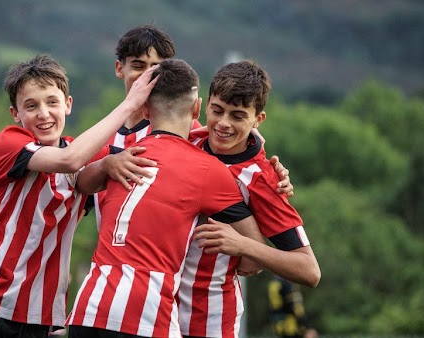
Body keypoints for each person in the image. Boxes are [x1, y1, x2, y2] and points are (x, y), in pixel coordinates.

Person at [0, 55, 158, 338]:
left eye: (52, 102)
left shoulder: (86, 152)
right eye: (31, 106)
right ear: (16, 114)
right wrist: (129, 104)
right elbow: (69, 160)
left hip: (36, 317)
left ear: (68, 105)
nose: (44, 114)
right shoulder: (10, 143)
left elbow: (158, 151)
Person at [66, 59, 266, 338]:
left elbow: (82, 182)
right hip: (146, 316)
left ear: (145, 110)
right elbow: (255, 255)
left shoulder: (123, 155)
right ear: (197, 108)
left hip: (87, 310)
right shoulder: (208, 169)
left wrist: (106, 164)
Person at [89, 24, 293, 229]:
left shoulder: (188, 132)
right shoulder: (101, 136)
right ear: (119, 69)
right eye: (138, 66)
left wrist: (274, 174)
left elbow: (235, 160)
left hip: (166, 257)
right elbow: (80, 187)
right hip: (109, 255)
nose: (147, 76)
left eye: (156, 68)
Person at [187, 60, 321, 337]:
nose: (223, 124)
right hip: (153, 311)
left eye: (237, 116)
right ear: (204, 105)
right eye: (217, 111)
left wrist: (244, 245)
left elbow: (309, 271)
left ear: (257, 119)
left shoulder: (262, 179)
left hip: (209, 321)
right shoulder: (186, 141)